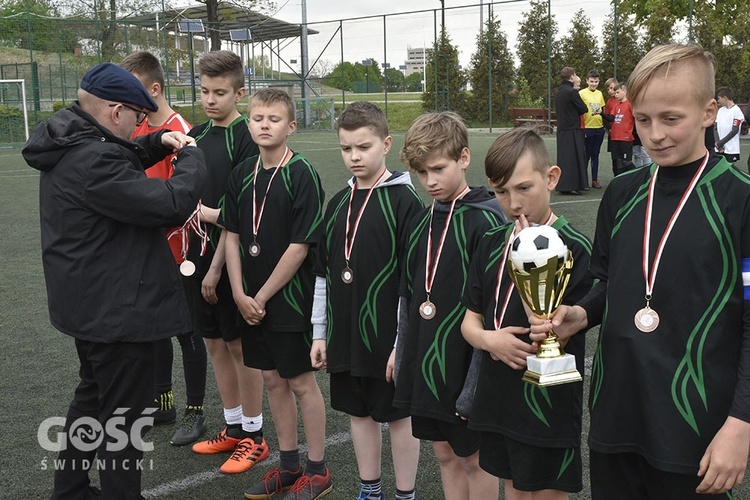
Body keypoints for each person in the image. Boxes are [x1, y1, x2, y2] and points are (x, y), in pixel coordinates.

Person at [531, 43, 750, 498]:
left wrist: (741, 422)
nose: (654, 134)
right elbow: (610, 281)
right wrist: (580, 315)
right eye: (644, 119)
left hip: (695, 423)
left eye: (671, 119)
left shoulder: (740, 199)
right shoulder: (623, 192)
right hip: (617, 414)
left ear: (709, 112)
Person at [22, 62, 206, 499]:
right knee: (123, 417)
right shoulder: (94, 160)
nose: (141, 124)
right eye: (138, 118)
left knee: (92, 399)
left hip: (91, 307)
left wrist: (156, 142)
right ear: (116, 111)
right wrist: (192, 156)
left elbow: (118, 156)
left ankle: (69, 491)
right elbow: (171, 202)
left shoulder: (72, 139)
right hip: (117, 313)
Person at [461, 127, 593, 499]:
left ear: (551, 178)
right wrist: (490, 341)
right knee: (514, 489)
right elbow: (469, 321)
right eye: (502, 192)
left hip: (548, 399)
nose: (513, 203)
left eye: (523, 188)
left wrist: (553, 326)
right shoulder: (489, 243)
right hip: (498, 397)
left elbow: (581, 317)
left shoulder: (575, 248)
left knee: (547, 491)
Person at [309, 101, 423, 500]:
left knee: (398, 417)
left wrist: (401, 343)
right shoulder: (337, 203)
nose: (354, 156)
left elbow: (413, 282)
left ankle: (405, 493)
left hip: (387, 341)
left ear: (386, 144)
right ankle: (369, 488)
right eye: (346, 148)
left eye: (364, 147)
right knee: (359, 414)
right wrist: (319, 334)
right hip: (346, 335)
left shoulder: (406, 203)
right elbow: (322, 273)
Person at [222, 88, 332, 500]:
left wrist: (261, 296)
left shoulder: (301, 173)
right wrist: (237, 291)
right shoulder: (241, 174)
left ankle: (318, 471)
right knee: (271, 380)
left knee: (300, 382)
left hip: (286, 300)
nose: (263, 125)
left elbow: (299, 246)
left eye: (273, 119)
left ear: (291, 125)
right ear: (248, 122)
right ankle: (287, 467)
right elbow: (231, 236)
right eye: (257, 118)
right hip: (248, 300)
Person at [394, 111, 507, 500]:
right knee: (443, 453)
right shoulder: (421, 220)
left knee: (474, 458)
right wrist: (400, 348)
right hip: (426, 356)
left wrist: (475, 385)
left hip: (467, 361)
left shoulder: (487, 220)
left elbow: (495, 310)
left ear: (463, 157)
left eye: (438, 169)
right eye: (422, 173)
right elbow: (408, 294)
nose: (430, 181)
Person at [121, 50, 209, 447]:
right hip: (146, 247)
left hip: (182, 249)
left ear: (154, 89)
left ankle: (196, 412)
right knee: (153, 326)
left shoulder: (181, 132)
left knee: (187, 331)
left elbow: (185, 196)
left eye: (133, 91)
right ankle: (163, 400)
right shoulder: (136, 130)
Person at [187, 51, 267, 476]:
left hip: (229, 259)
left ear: (240, 92)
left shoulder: (244, 136)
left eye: (220, 93)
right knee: (214, 343)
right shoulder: (197, 134)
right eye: (204, 91)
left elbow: (233, 213)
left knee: (238, 346)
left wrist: (216, 267)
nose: (210, 100)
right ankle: (233, 427)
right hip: (195, 257)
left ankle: (255, 435)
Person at [554, 67, 588, 195]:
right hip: (573, 129)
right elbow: (583, 108)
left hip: (562, 129)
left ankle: (564, 185)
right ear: (572, 77)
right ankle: (573, 185)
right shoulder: (572, 92)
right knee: (574, 158)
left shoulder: (559, 91)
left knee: (564, 158)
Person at [579, 70, 607, 189]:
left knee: (595, 155)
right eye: (591, 81)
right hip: (587, 128)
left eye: (596, 81)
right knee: (586, 155)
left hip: (599, 128)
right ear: (587, 81)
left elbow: (602, 109)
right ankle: (583, 181)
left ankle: (594, 180)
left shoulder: (600, 93)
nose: (594, 84)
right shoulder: (581, 93)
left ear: (598, 81)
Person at [603, 83, 635, 176]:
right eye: (615, 92)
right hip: (614, 138)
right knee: (619, 163)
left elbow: (636, 118)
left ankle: (638, 177)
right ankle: (621, 182)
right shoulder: (616, 105)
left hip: (625, 138)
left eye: (617, 92)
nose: (615, 94)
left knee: (626, 162)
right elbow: (611, 118)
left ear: (625, 92)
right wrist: (600, 113)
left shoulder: (630, 105)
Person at [714, 86, 745, 164]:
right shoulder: (720, 110)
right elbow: (715, 128)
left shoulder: (736, 111)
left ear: (725, 98)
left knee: (729, 173)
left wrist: (720, 143)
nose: (718, 101)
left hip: (731, 150)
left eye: (719, 98)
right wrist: (719, 146)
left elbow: (734, 130)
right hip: (719, 149)